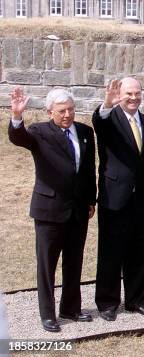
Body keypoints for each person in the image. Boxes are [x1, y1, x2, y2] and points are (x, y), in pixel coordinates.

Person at [8, 88, 96, 332]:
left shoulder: (85, 132)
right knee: (47, 265)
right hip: (49, 209)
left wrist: (91, 200)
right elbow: (18, 138)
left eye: (70, 109)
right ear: (50, 112)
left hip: (78, 210)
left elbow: (88, 170)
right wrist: (17, 117)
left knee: (74, 261)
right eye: (61, 111)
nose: (67, 115)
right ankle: (47, 315)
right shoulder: (39, 132)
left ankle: (70, 308)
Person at [93, 78, 144, 321]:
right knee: (111, 251)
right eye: (128, 94)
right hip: (114, 197)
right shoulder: (109, 119)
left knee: (138, 251)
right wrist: (107, 103)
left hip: (139, 199)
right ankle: (107, 302)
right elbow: (98, 122)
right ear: (119, 94)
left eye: (137, 93)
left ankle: (135, 300)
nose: (133, 98)